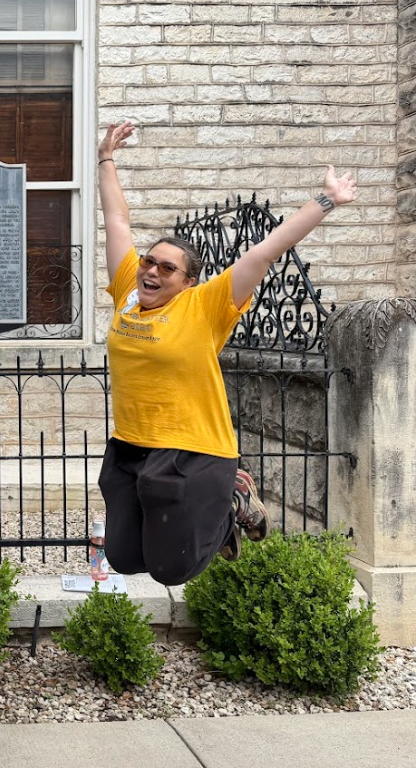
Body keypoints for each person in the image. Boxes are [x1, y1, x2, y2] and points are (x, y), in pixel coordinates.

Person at [96, 121, 357, 585]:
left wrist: (327, 200)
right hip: (131, 444)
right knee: (124, 558)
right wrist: (106, 158)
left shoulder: (205, 306)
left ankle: (232, 499)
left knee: (172, 570)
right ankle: (219, 504)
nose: (152, 271)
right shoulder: (126, 293)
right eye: (149, 262)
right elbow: (116, 220)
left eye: (167, 268)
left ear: (187, 281)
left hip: (193, 447)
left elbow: (265, 252)